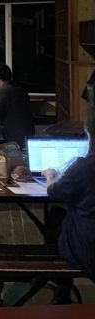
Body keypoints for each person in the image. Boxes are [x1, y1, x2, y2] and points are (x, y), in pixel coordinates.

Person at [42, 84, 95, 299]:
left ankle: (61, 288)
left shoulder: (84, 166)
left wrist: (50, 176)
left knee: (56, 214)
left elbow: (54, 192)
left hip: (88, 250)